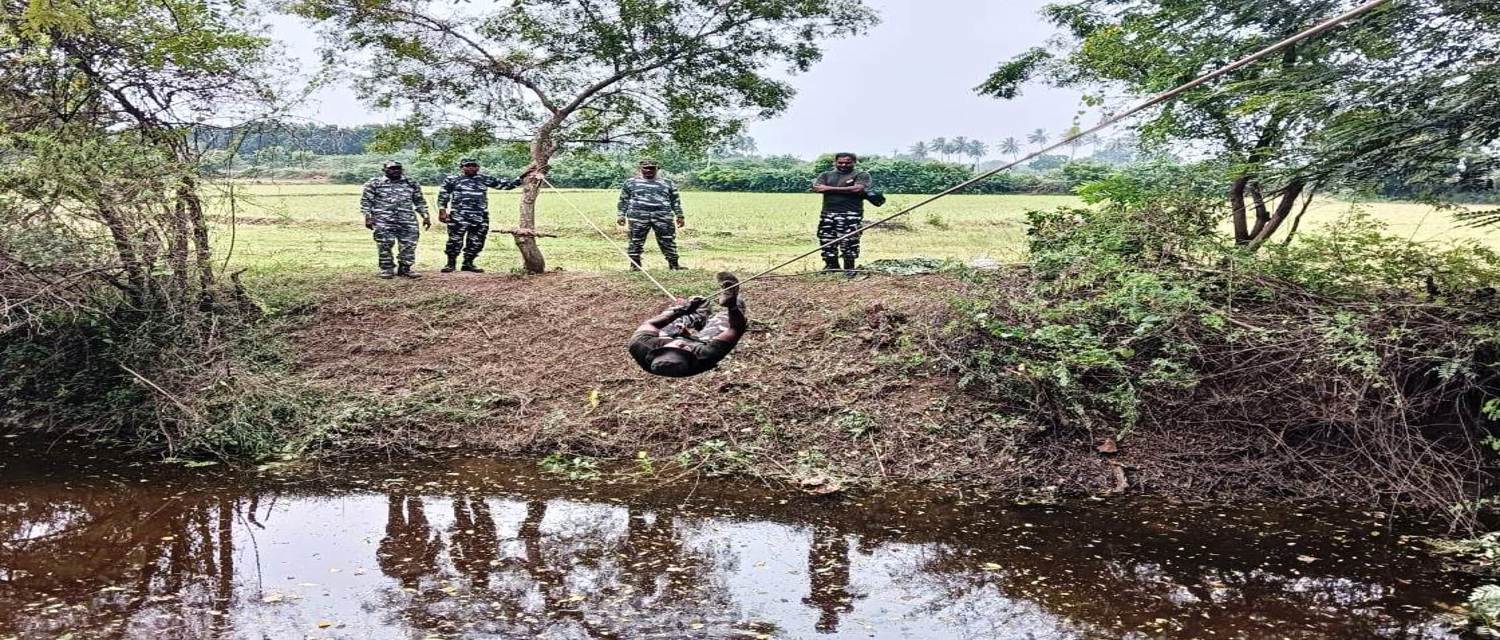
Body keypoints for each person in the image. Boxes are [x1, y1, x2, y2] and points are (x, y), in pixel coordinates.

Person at [628, 272, 746, 377]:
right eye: (684, 349)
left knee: (694, 302)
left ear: (661, 349)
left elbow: (650, 324)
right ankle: (729, 304)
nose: (682, 344)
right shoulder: (706, 355)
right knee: (734, 309)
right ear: (691, 357)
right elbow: (735, 328)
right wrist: (732, 306)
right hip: (699, 343)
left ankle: (697, 316)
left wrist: (681, 310)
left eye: (677, 347)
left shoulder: (640, 344)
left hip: (667, 339)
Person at [436, 158, 532, 273]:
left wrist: (523, 176)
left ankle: (468, 263)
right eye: (468, 165)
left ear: (478, 167)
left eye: (474, 165)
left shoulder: (484, 179)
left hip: (480, 216)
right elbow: (443, 194)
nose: (471, 168)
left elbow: (506, 185)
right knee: (454, 241)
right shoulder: (452, 179)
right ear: (461, 168)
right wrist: (442, 210)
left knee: (477, 241)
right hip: (459, 216)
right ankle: (450, 264)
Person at [361, 160, 431, 279]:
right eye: (392, 168)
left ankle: (405, 269)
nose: (395, 170)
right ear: (384, 170)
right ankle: (387, 269)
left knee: (409, 245)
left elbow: (419, 201)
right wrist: (368, 217)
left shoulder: (411, 183)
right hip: (383, 220)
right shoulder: (375, 183)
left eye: (398, 168)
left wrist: (425, 216)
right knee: (384, 245)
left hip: (407, 220)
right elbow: (366, 201)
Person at [617, 158, 686, 270]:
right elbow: (623, 200)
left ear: (657, 169)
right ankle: (635, 266)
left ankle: (674, 265)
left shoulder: (668, 183)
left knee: (668, 240)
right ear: (640, 169)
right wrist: (621, 214)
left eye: (652, 168)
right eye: (646, 168)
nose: (649, 170)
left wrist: (680, 215)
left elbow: (675, 201)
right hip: (638, 216)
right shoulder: (630, 183)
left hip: (663, 216)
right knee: (635, 241)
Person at [811, 152, 872, 274]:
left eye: (848, 162)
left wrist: (829, 189)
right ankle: (832, 267)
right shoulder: (826, 175)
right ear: (835, 162)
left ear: (854, 162)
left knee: (849, 241)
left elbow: (858, 188)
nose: (844, 165)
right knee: (826, 239)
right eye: (840, 162)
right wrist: (846, 190)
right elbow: (817, 187)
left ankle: (849, 269)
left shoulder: (861, 175)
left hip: (851, 213)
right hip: (828, 213)